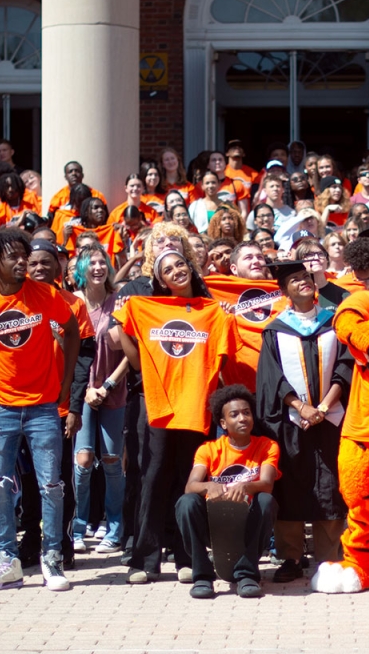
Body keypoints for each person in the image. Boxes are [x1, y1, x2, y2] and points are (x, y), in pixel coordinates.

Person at [0, 229, 79, 591]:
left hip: (43, 407)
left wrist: (67, 380)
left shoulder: (46, 294)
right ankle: (7, 561)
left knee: (51, 486)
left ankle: (52, 560)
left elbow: (71, 330)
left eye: (24, 255)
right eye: (14, 256)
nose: (23, 261)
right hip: (1, 408)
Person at [113, 250, 234, 584]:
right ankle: (144, 561)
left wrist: (224, 318)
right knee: (151, 481)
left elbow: (222, 358)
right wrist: (122, 325)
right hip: (159, 407)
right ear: (161, 281)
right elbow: (135, 362)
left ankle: (188, 557)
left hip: (195, 406)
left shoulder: (212, 310)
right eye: (167, 269)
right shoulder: (148, 308)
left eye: (180, 264)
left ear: (190, 268)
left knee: (188, 481)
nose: (176, 270)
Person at [254, 259, 349, 583]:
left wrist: (323, 406)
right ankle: (291, 557)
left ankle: (329, 557)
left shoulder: (335, 323)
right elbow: (272, 377)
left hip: (331, 418)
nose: (302, 282)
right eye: (294, 280)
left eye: (305, 277)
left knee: (330, 486)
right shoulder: (275, 329)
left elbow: (346, 368)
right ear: (285, 291)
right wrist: (300, 407)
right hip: (292, 422)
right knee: (291, 485)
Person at [177, 385, 278, 599]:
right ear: (223, 423)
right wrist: (209, 486)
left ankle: (247, 574)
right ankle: (202, 576)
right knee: (186, 502)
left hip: (248, 522)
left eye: (247, 413)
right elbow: (190, 485)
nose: (242, 418)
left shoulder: (267, 446)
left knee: (266, 500)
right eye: (234, 415)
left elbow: (267, 483)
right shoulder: (208, 449)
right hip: (214, 523)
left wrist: (246, 486)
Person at [72, 245, 128, 556]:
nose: (98, 267)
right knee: (82, 461)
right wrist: (85, 390)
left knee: (112, 460)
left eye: (102, 261)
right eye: (91, 262)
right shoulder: (72, 302)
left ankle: (115, 528)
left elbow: (130, 350)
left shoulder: (118, 300)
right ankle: (77, 528)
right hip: (80, 391)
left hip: (113, 389)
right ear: (80, 270)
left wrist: (107, 385)